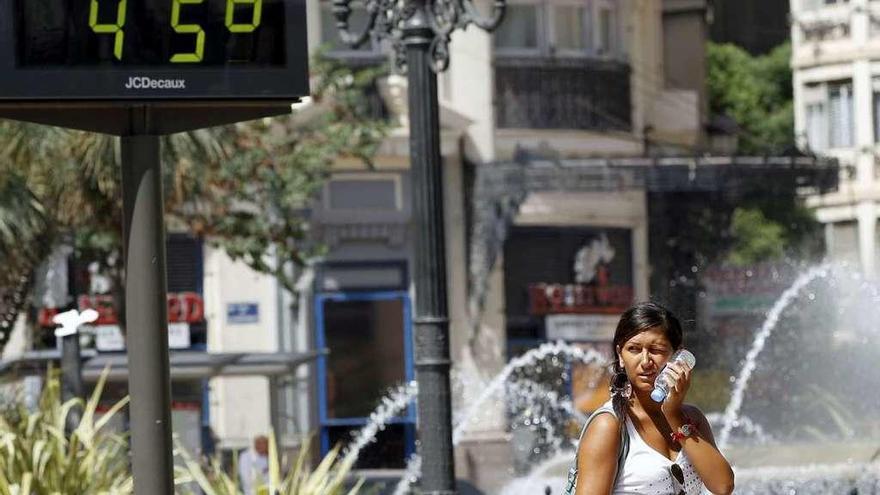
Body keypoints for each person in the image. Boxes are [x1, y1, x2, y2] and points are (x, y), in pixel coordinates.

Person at [575, 302, 735, 495]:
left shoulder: (692, 418)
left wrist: (674, 415)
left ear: (678, 356)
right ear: (620, 355)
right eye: (634, 349)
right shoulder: (609, 425)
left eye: (657, 350)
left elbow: (723, 486)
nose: (645, 362)